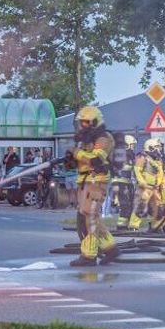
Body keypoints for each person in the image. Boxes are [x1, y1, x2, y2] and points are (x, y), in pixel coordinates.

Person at [69, 106, 118, 267]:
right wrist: (69, 159)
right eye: (81, 123)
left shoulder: (104, 138)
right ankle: (110, 248)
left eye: (85, 123)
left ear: (94, 122)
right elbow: (82, 160)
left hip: (97, 181)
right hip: (86, 181)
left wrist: (77, 154)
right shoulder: (86, 140)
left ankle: (89, 256)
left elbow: (95, 160)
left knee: (89, 217)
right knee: (91, 217)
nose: (82, 126)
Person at [128, 138, 165, 231]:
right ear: (150, 148)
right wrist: (142, 182)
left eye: (158, 147)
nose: (158, 150)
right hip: (144, 188)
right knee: (140, 207)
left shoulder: (157, 160)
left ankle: (155, 227)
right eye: (156, 147)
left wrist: (159, 183)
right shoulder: (142, 157)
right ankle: (133, 226)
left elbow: (160, 173)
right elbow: (137, 170)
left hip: (154, 188)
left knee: (157, 208)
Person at [111, 135, 137, 231]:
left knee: (129, 205)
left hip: (127, 183)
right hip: (121, 183)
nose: (133, 147)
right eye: (132, 145)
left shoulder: (127, 154)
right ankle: (121, 227)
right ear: (128, 145)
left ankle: (125, 225)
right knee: (125, 205)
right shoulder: (124, 154)